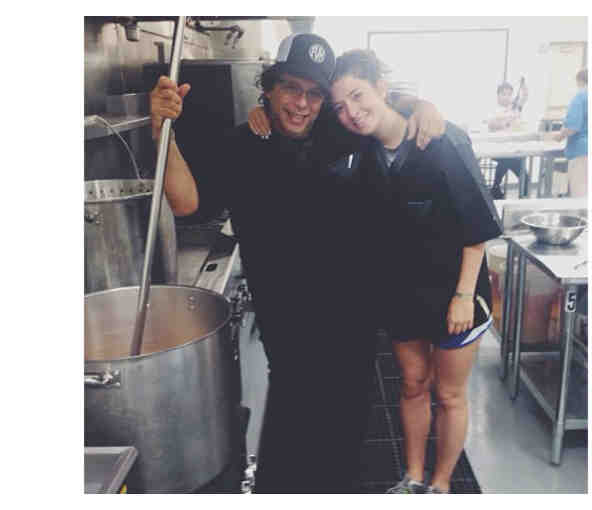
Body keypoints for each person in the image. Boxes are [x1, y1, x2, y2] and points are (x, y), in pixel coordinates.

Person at [150, 33, 446, 494]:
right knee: (291, 448)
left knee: (344, 443)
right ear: (268, 87)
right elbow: (186, 202)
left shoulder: (342, 131)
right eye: (291, 88)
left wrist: (420, 104)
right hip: (289, 331)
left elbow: (377, 107)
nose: (302, 104)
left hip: (354, 324)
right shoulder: (242, 144)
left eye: (314, 93)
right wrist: (161, 133)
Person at [328, 49, 503, 494]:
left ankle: (441, 485)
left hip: (455, 294)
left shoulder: (442, 140)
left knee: (449, 393)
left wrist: (464, 295)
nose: (351, 112)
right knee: (411, 384)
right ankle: (413, 477)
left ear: (381, 88)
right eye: (340, 106)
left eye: (358, 95)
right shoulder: (363, 153)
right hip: (401, 294)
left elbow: (477, 225)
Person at [487, 80, 529, 199]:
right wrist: (506, 122)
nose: (507, 97)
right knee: (508, 162)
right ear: (498, 95)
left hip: (513, 149)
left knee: (507, 162)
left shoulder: (514, 108)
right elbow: (492, 125)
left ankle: (495, 188)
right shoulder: (494, 110)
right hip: (498, 149)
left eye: (509, 94)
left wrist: (523, 86)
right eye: (504, 94)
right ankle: (496, 188)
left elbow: (524, 98)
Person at [554, 68, 588, 196]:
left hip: (582, 152)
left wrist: (559, 136)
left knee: (581, 195)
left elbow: (572, 127)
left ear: (580, 81)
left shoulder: (580, 97)